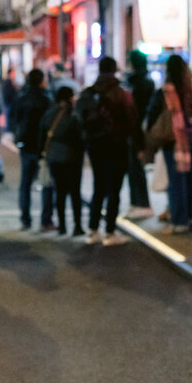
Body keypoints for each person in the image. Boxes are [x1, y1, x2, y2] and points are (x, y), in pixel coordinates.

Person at [76, 56, 138, 246]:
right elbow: (132, 121)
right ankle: (110, 232)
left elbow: (80, 119)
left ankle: (93, 230)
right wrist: (138, 146)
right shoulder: (121, 93)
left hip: (95, 146)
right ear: (115, 70)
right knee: (114, 189)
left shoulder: (88, 93)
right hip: (117, 145)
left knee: (98, 187)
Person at [145, 54, 192, 234]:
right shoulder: (190, 89)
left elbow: (152, 115)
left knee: (177, 182)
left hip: (175, 141)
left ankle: (179, 221)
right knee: (190, 181)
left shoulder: (166, 91)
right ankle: (190, 218)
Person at [12, 68, 54, 232]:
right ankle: (46, 220)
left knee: (25, 183)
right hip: (42, 146)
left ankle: (25, 219)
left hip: (25, 144)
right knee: (46, 182)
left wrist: (17, 136)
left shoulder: (22, 97)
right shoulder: (46, 98)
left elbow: (14, 118)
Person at [39, 86, 85, 237]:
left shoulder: (50, 113)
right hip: (72, 158)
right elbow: (80, 137)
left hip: (54, 157)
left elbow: (42, 133)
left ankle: (62, 226)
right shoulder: (73, 114)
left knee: (59, 192)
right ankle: (77, 225)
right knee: (74, 193)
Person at [124, 50, 156, 219]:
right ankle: (136, 203)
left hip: (137, 130)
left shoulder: (137, 83)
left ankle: (141, 203)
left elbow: (136, 112)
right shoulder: (144, 82)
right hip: (138, 129)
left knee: (136, 166)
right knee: (133, 166)